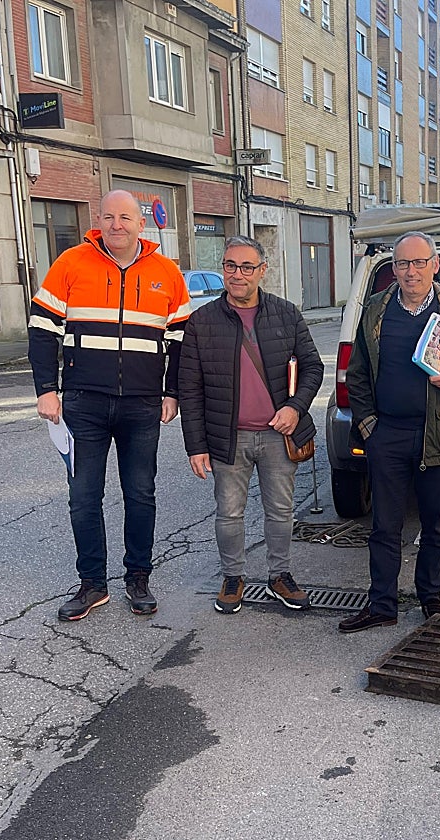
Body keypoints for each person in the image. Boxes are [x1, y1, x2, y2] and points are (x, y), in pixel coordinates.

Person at [29, 189, 192, 621]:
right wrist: (46, 388)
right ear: (97, 220)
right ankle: (92, 585)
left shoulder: (167, 273)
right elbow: (42, 329)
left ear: (141, 223)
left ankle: (138, 578)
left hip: (142, 406)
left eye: (125, 217)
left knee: (141, 494)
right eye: (108, 217)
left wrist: (171, 392)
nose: (116, 224)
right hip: (83, 403)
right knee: (83, 497)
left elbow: (180, 343)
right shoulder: (71, 263)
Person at [339, 232, 440, 633]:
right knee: (384, 526)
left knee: (435, 524)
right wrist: (369, 425)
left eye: (418, 263)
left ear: (435, 265)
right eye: (402, 264)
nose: (410, 271)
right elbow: (356, 373)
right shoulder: (375, 309)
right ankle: (382, 605)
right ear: (393, 268)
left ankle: (430, 600)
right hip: (386, 434)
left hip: (439, 435)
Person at [178, 236, 323, 615]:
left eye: (246, 267)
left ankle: (280, 576)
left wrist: (295, 407)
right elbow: (189, 388)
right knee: (229, 513)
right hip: (228, 437)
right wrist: (196, 445)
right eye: (230, 265)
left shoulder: (286, 313)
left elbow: (313, 366)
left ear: (262, 271)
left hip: (279, 434)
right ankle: (232, 577)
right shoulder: (201, 322)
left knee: (281, 511)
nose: (237, 274)